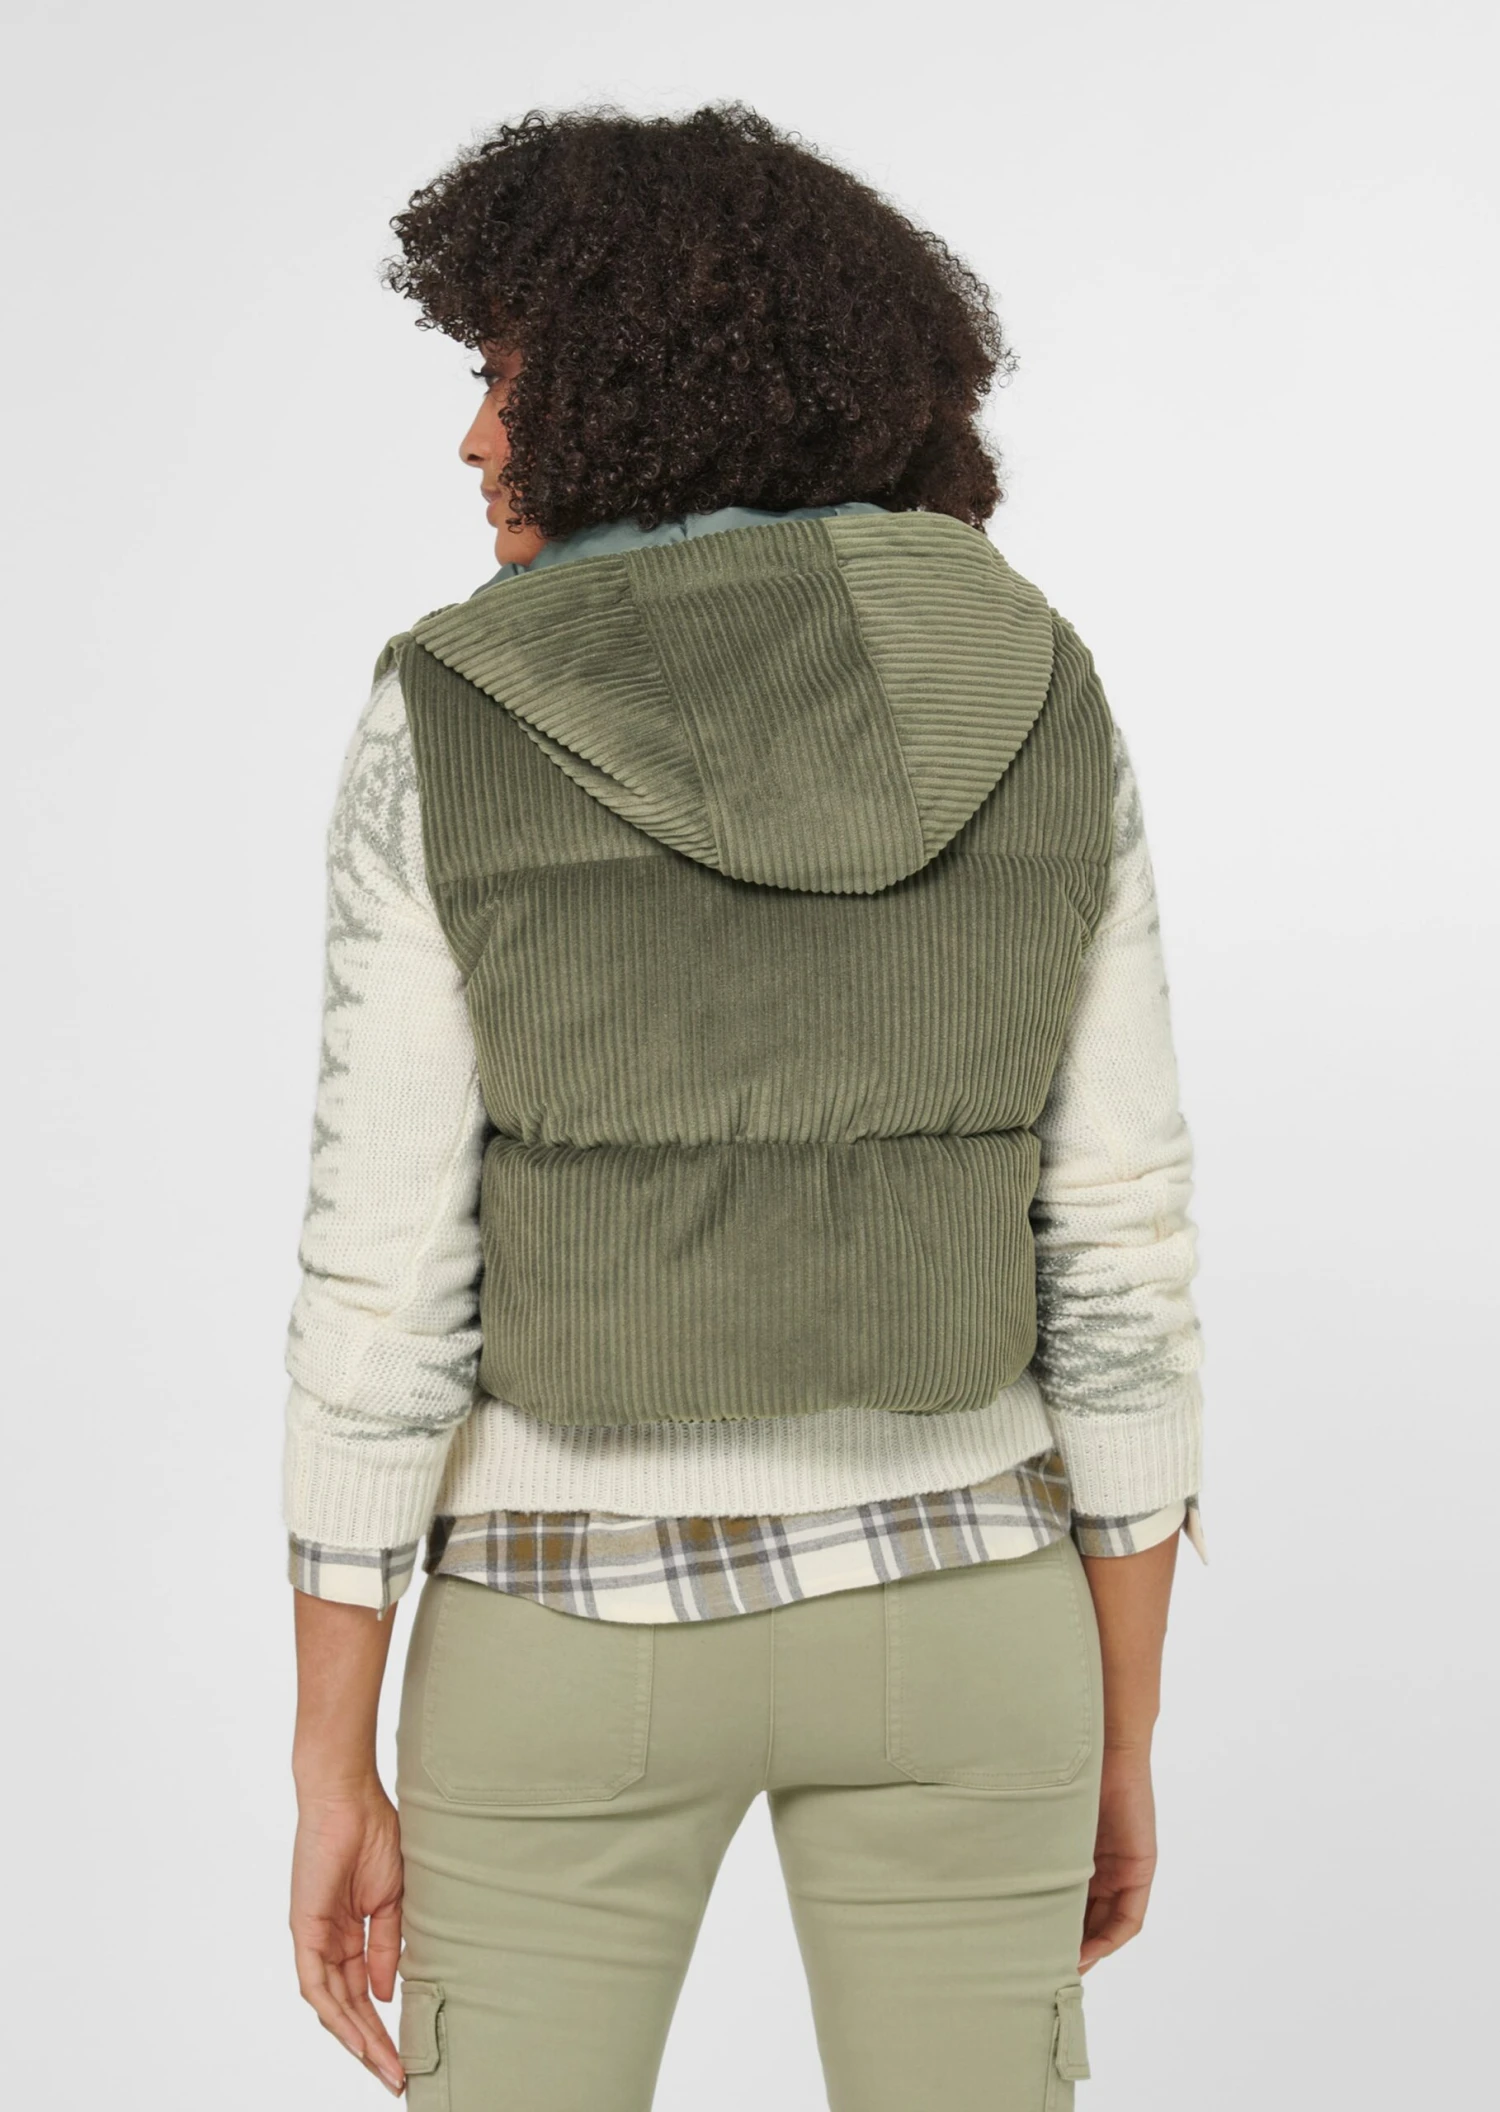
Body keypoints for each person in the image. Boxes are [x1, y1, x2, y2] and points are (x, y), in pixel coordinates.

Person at [283, 102, 1206, 2112]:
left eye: (506, 377)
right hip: (973, 1619)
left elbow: (382, 1281)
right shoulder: (1040, 682)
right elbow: (1123, 1255)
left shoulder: (450, 709)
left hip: (562, 1628)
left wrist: (328, 1756)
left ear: (633, 391)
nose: (474, 440)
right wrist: (1121, 1722)